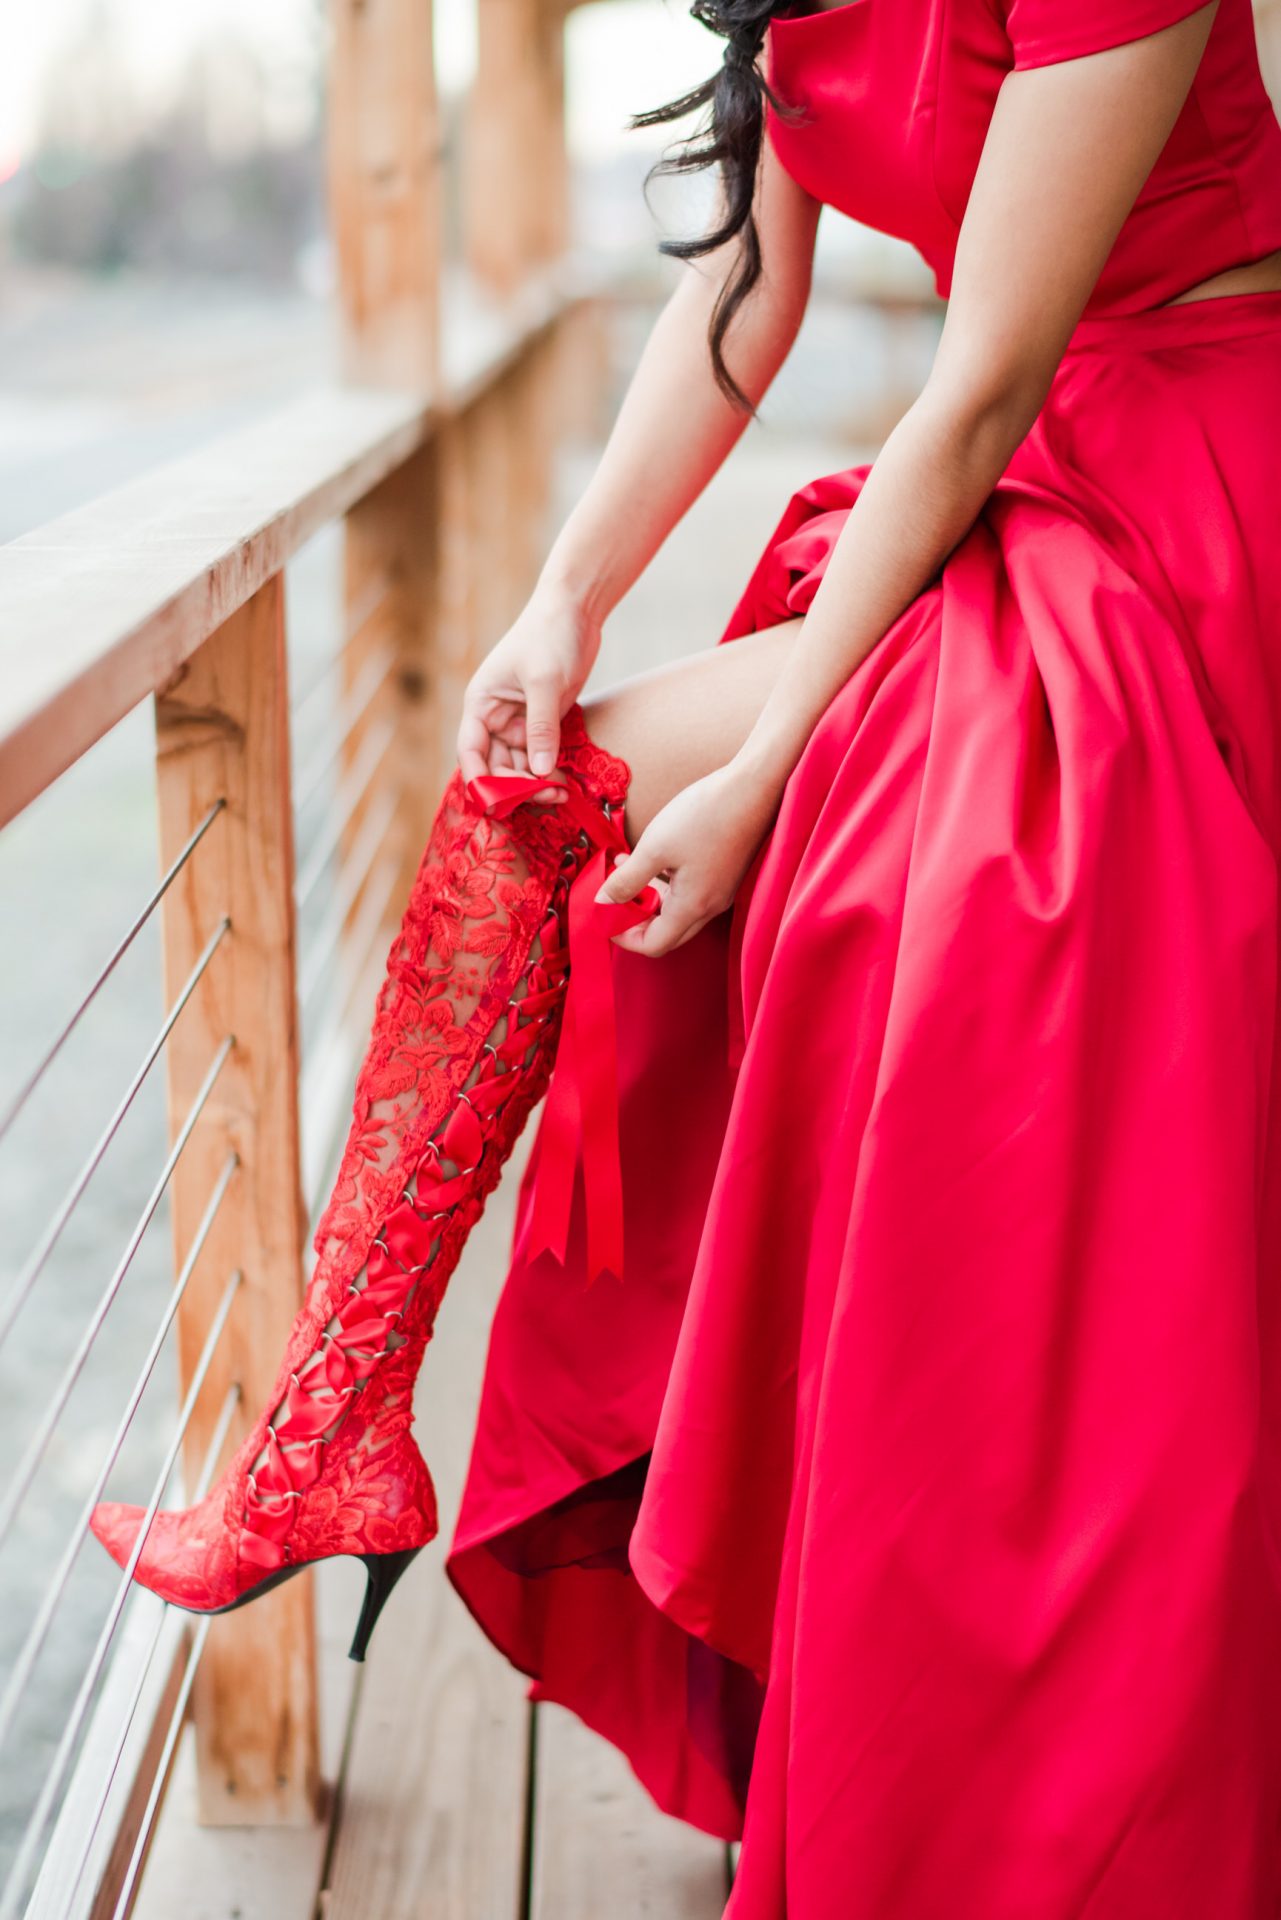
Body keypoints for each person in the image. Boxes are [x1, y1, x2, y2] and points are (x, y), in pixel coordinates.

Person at [93, 0, 1281, 1908]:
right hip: (1016, 468)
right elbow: (737, 300)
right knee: (534, 780)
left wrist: (771, 766)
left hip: (1192, 472)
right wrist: (557, 601)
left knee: (851, 863)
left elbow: (974, 376)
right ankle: (333, 1421)